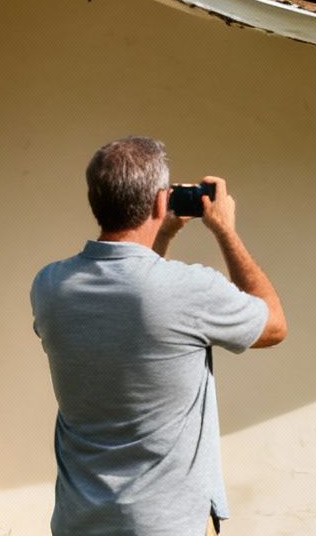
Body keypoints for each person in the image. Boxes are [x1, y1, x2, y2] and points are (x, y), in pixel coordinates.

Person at [31, 136, 288, 535]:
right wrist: (225, 231)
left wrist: (160, 237)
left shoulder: (50, 286)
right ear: (159, 203)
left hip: (79, 521)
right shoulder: (188, 289)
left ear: (96, 200)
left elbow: (136, 304)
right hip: (167, 524)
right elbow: (273, 324)